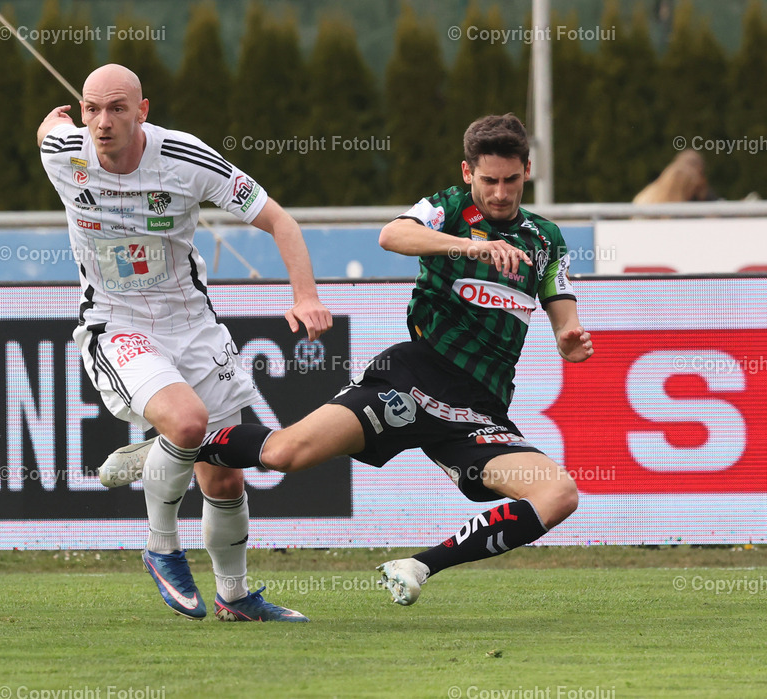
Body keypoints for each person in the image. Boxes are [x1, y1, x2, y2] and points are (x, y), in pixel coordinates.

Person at [104, 113, 594, 607]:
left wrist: (568, 337)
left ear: (527, 170)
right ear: (468, 173)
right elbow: (392, 235)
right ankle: (182, 447)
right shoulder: (448, 208)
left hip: (477, 412)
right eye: (489, 180)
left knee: (558, 495)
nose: (501, 192)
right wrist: (471, 246)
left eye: (512, 180)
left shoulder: (545, 239)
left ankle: (419, 566)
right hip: (413, 379)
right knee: (283, 454)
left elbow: (561, 310)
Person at [38, 64, 332, 622]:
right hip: (115, 321)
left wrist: (306, 296)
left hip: (193, 326)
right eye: (92, 109)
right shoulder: (64, 153)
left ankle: (236, 597)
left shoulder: (186, 158)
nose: (103, 122)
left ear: (142, 111)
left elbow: (281, 223)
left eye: (118, 108)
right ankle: (160, 546)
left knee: (222, 475)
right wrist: (48, 124)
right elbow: (47, 132)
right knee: (190, 423)